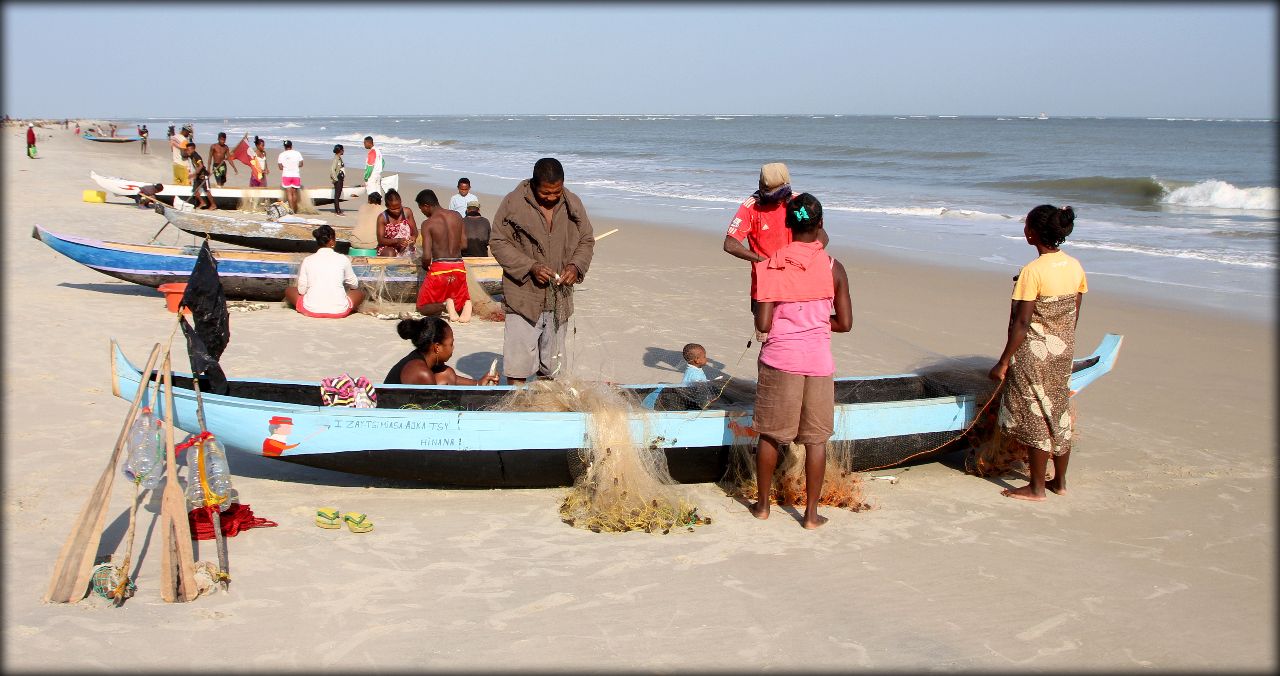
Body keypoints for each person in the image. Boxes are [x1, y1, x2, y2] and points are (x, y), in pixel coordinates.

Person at [748, 193, 852, 529]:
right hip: (819, 362)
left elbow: (763, 324)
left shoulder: (770, 265)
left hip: (780, 359)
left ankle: (762, 506)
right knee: (816, 440)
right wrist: (819, 323)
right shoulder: (834, 267)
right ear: (820, 224)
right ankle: (810, 515)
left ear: (787, 225)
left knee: (769, 435)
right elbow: (846, 323)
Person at [988, 205, 1087, 502]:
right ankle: (1060, 482)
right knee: (1057, 410)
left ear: (1032, 233)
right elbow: (1074, 313)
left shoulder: (1032, 273)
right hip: (1063, 349)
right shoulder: (1074, 266)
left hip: (1034, 353)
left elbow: (1021, 323)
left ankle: (1036, 487)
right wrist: (1062, 342)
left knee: (1034, 415)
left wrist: (1003, 361)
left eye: (1026, 225)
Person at [489, 157, 595, 385]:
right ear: (534, 184)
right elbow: (498, 242)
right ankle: (517, 404)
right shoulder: (513, 203)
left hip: (559, 298)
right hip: (523, 297)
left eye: (556, 192)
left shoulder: (573, 202)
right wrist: (530, 267)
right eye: (545, 193)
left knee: (552, 366)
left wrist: (575, 266)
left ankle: (546, 406)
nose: (551, 198)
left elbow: (586, 240)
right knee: (518, 366)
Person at [723, 163, 828, 320]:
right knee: (767, 337)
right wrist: (764, 261)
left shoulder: (798, 204)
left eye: (778, 192)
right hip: (765, 287)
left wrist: (803, 257)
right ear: (760, 185)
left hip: (798, 284)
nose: (775, 198)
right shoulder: (751, 207)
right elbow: (730, 244)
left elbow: (822, 235)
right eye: (768, 192)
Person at [385, 317, 501, 386]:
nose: (453, 348)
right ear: (437, 347)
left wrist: (478, 383)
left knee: (447, 373)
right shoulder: (421, 373)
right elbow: (432, 411)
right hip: (387, 419)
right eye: (451, 344)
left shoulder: (423, 358)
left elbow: (452, 378)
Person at [414, 189, 472, 322]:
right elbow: (464, 245)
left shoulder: (428, 224)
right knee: (458, 301)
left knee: (422, 307)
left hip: (440, 268)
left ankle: (446, 305)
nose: (422, 212)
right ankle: (466, 304)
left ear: (426, 206)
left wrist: (424, 266)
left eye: (421, 209)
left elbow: (427, 256)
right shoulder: (457, 216)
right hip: (458, 266)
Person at [283, 225, 365, 318]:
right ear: (332, 241)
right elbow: (354, 285)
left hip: (310, 309)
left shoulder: (308, 260)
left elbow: (301, 291)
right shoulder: (343, 259)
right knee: (359, 293)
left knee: (289, 290)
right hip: (339, 310)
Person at [375, 189, 417, 258]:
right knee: (390, 253)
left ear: (401, 202)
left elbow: (415, 231)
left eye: (399, 207)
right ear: (387, 206)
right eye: (393, 209)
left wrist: (413, 237)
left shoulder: (407, 212)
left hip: (405, 246)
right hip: (388, 247)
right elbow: (380, 240)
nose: (397, 211)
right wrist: (397, 241)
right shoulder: (382, 218)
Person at [186, 142, 216, 210]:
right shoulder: (191, 156)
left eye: (188, 149)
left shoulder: (196, 156)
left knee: (207, 191)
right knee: (195, 190)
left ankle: (213, 205)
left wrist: (193, 174)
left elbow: (201, 166)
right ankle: (202, 202)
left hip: (203, 175)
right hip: (198, 176)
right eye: (187, 150)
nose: (187, 151)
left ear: (193, 149)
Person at [277, 140, 304, 214]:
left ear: (284, 147)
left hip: (286, 175)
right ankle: (295, 210)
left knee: (289, 193)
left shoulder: (281, 154)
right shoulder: (297, 153)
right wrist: (294, 165)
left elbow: (280, 167)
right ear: (291, 146)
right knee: (294, 193)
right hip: (295, 175)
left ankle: (291, 210)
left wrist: (287, 166)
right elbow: (301, 164)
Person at [329, 144, 346, 215]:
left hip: (340, 179)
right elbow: (332, 169)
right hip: (338, 179)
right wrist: (335, 179)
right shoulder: (336, 159)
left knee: (338, 194)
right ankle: (337, 211)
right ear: (340, 150)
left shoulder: (339, 158)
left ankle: (338, 209)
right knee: (337, 195)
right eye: (343, 150)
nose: (344, 151)